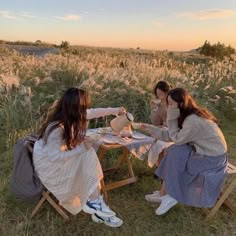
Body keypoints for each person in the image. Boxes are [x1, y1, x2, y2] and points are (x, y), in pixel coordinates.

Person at [33, 87, 125, 227]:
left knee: (88, 155)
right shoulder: (56, 129)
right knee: (87, 153)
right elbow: (55, 157)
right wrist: (82, 148)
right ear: (76, 108)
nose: (86, 111)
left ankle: (96, 205)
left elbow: (94, 113)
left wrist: (115, 110)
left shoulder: (70, 116)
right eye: (83, 107)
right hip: (49, 168)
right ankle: (96, 203)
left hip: (56, 160)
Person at [143, 88, 228, 215]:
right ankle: (163, 193)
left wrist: (171, 117)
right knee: (174, 151)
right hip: (204, 153)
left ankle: (172, 196)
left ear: (181, 104)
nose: (169, 107)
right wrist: (152, 130)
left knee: (175, 152)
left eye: (171, 104)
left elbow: (177, 139)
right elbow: (174, 136)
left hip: (213, 160)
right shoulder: (188, 115)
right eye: (168, 103)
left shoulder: (192, 120)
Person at [148, 81, 173, 167]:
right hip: (162, 129)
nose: (160, 96)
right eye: (158, 94)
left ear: (167, 92)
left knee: (161, 143)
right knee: (155, 136)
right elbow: (155, 123)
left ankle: (162, 168)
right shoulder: (159, 105)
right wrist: (154, 110)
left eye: (162, 94)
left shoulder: (173, 103)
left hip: (173, 130)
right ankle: (159, 167)